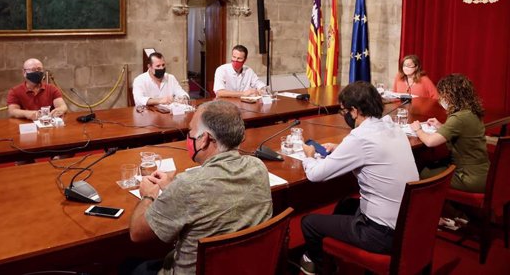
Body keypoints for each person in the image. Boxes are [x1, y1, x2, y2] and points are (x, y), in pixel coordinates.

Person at [128, 100, 273, 274]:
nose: (188, 137)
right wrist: (173, 187)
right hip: (243, 268)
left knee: (131, 266)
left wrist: (148, 196)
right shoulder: (258, 167)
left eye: (191, 131)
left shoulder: (188, 184)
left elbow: (137, 233)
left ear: (204, 140)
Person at [299, 81, 419, 275]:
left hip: (381, 234)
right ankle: (332, 259)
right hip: (408, 224)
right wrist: (341, 150)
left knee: (309, 223)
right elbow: (375, 153)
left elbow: (315, 175)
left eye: (343, 111)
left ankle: (317, 266)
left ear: (354, 111)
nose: (344, 115)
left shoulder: (360, 137)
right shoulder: (393, 128)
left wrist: (309, 156)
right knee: (345, 205)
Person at [411, 74, 489, 193]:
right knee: (434, 163)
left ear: (451, 96)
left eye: (442, 95)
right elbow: (462, 132)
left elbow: (430, 142)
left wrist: (418, 129)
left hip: (468, 177)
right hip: (483, 172)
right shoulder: (472, 112)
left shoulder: (458, 118)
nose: (440, 99)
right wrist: (441, 126)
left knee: (423, 172)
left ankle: (448, 210)